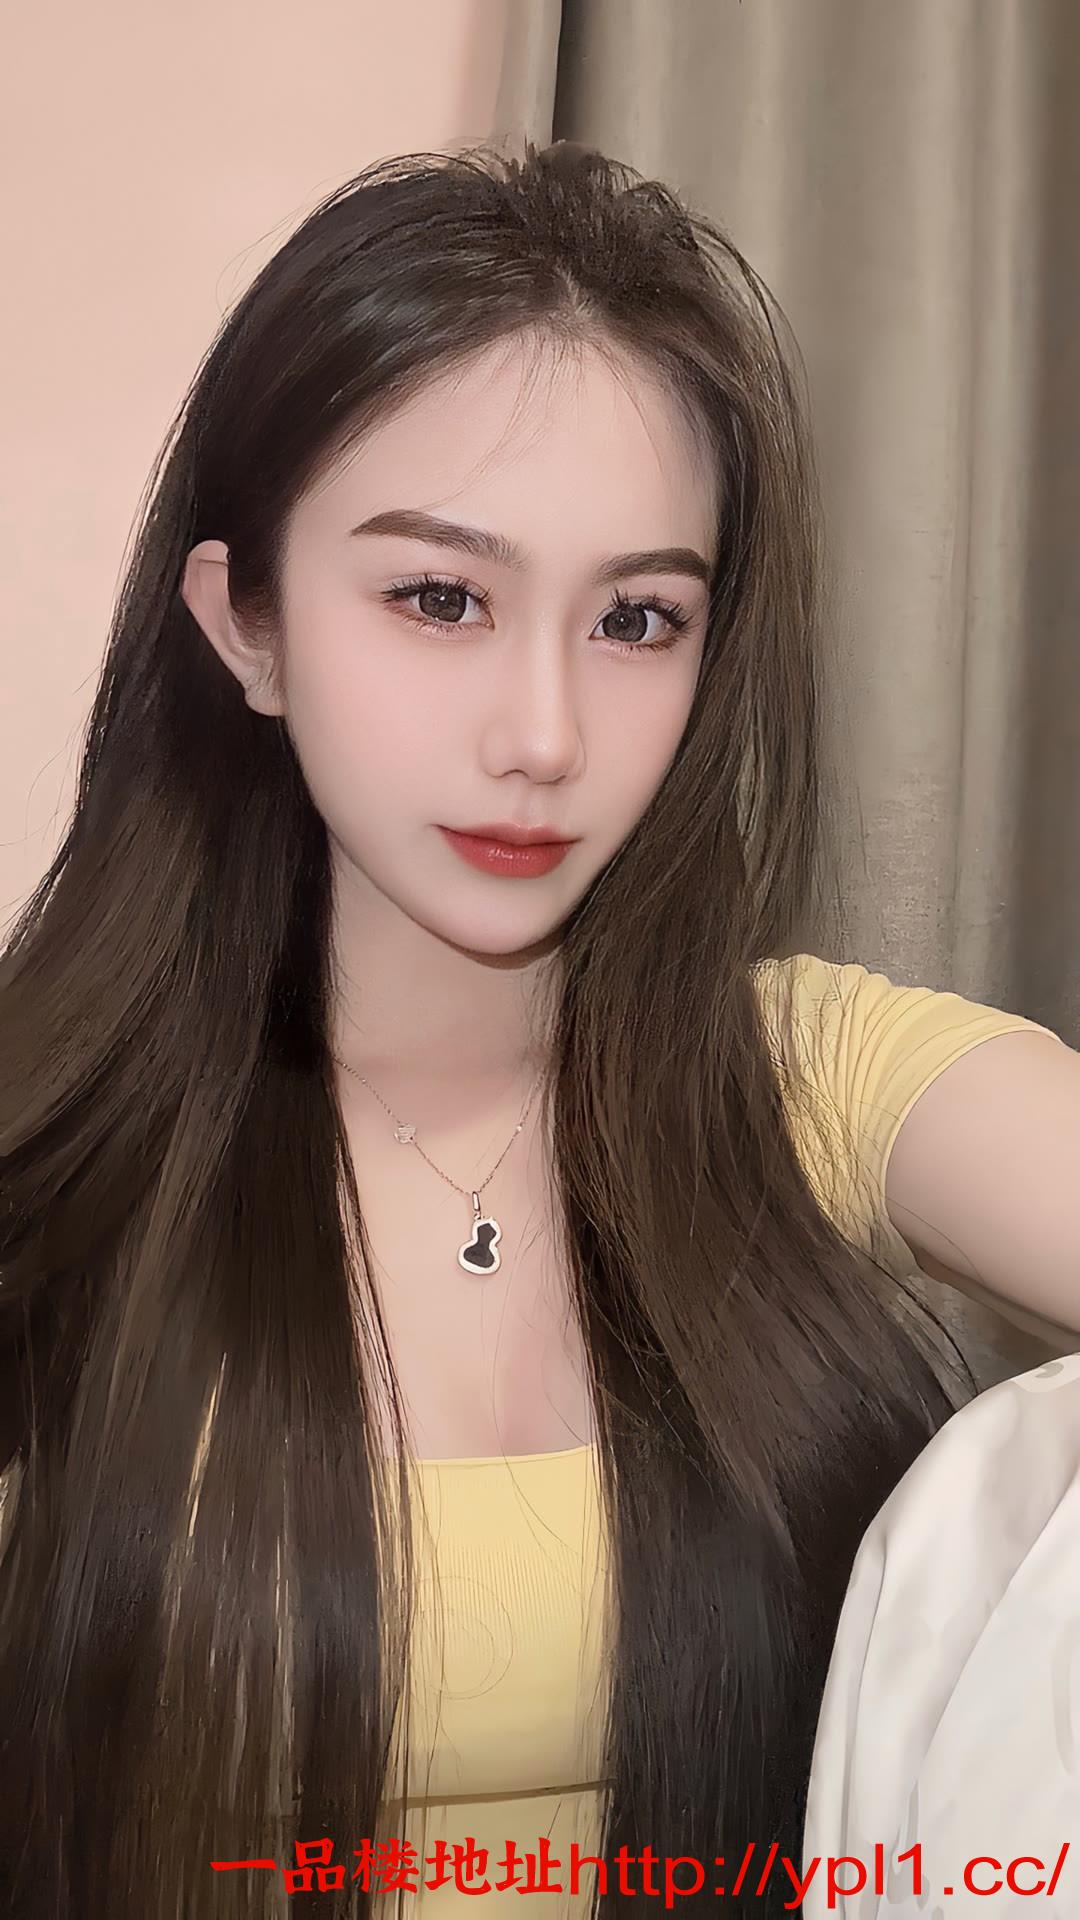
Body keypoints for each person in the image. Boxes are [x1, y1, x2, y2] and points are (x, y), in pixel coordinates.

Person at [0, 140, 1075, 1920]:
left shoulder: (801, 1086)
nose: (548, 735)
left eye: (638, 619)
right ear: (246, 627)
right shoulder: (56, 1152)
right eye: (441, 598)